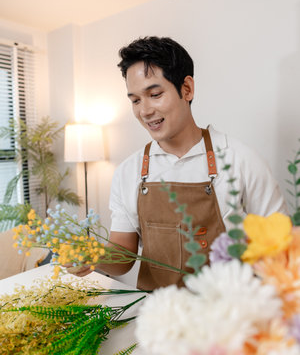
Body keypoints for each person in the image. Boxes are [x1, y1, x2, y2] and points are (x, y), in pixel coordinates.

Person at [76, 36, 287, 289]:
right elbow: (124, 256)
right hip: (157, 315)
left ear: (187, 89)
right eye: (135, 100)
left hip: (227, 316)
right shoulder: (129, 172)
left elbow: (283, 249)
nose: (144, 111)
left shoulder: (240, 160)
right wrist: (92, 257)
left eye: (154, 94)